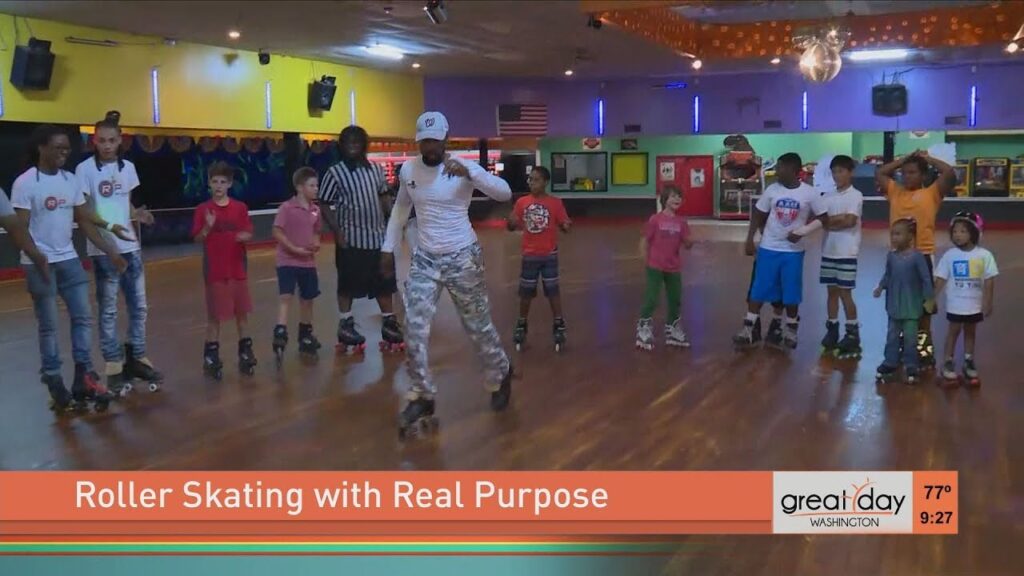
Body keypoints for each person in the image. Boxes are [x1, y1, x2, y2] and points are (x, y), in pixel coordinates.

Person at [380, 111, 513, 438]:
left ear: (446, 140)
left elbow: (504, 193)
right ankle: (422, 394)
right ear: (419, 142)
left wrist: (470, 171)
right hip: (425, 258)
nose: (430, 147)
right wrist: (388, 246)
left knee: (477, 325)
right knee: (413, 326)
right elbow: (400, 208)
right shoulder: (409, 169)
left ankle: (500, 371)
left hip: (463, 257)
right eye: (424, 141)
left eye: (435, 141)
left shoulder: (462, 168)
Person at [12, 124, 131, 412]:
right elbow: (19, 229)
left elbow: (85, 218)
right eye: (58, 148)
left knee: (83, 318)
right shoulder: (26, 183)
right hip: (40, 264)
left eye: (67, 148)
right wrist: (36, 256)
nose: (64, 153)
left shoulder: (69, 180)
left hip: (69, 260)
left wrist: (111, 242)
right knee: (49, 326)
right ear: (42, 148)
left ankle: (84, 376)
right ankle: (53, 379)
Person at [75, 118, 163, 395]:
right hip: (103, 251)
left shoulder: (129, 168)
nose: (107, 145)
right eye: (101, 140)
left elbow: (123, 204)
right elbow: (86, 211)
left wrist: (138, 214)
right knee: (109, 310)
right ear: (94, 141)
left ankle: (137, 357)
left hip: (131, 248)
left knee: (139, 307)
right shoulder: (84, 170)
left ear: (120, 141)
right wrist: (108, 249)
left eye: (112, 140)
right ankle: (113, 363)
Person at [318, 125, 403, 353]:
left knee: (384, 283)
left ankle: (389, 322)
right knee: (347, 285)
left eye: (357, 142)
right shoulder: (334, 172)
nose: (353, 146)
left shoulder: (375, 170)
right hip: (351, 239)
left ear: (363, 145)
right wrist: (337, 231)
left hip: (378, 239)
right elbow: (324, 202)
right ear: (342, 147)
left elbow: (384, 196)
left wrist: (392, 223)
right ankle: (345, 324)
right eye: (348, 143)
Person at [733, 152, 828, 350]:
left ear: (793, 170)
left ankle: (791, 329)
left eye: (780, 167)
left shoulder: (809, 193)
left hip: (793, 252)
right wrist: (750, 239)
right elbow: (758, 215)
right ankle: (748, 328)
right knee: (759, 289)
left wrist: (803, 231)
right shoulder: (771, 190)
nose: (776, 170)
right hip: (769, 247)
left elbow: (824, 218)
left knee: (791, 292)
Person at [875, 150, 956, 368]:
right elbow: (881, 172)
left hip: (922, 257)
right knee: (899, 305)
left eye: (912, 172)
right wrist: (904, 160)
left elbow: (949, 172)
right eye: (904, 173)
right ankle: (902, 347)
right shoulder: (894, 191)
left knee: (923, 308)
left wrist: (927, 159)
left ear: (922, 175)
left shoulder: (931, 194)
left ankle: (924, 350)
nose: (906, 176)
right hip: (898, 259)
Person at [191, 161, 256, 380]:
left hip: (237, 269)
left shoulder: (240, 208)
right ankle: (211, 355)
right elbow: (197, 237)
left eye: (223, 182)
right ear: (209, 184)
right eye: (214, 181)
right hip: (215, 272)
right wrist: (208, 226)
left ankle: (245, 352)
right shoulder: (202, 210)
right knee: (215, 317)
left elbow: (248, 231)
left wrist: (244, 236)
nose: (218, 186)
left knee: (242, 315)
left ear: (229, 184)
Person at [507, 166, 571, 352]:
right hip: (530, 255)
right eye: (530, 179)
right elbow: (512, 223)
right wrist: (510, 224)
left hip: (549, 254)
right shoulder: (522, 202)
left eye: (535, 180)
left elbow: (564, 222)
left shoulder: (555, 203)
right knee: (526, 292)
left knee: (552, 290)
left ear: (545, 182)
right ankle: (522, 323)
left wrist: (566, 225)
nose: (531, 183)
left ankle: (558, 323)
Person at [934, 211, 998, 386]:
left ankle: (969, 360)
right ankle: (948, 361)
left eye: (963, 231)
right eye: (955, 231)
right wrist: (933, 298)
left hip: (974, 304)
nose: (958, 235)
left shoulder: (984, 256)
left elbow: (989, 280)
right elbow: (941, 278)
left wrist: (988, 301)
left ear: (975, 233)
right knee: (953, 331)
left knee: (970, 332)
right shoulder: (950, 255)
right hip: (955, 303)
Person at [873, 218, 935, 384]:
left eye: (898, 234)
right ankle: (890, 361)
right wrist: (880, 287)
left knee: (910, 337)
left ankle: (910, 364)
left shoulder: (917, 257)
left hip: (912, 306)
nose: (894, 238)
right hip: (894, 305)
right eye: (892, 234)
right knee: (892, 335)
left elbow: (926, 279)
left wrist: (929, 298)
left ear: (910, 237)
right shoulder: (891, 257)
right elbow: (888, 275)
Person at [271, 167, 323, 364]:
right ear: (300, 188)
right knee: (286, 296)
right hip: (287, 261)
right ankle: (281, 329)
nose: (316, 189)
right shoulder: (287, 208)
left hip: (308, 262)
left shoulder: (315, 211)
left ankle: (306, 333)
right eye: (312, 185)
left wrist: (316, 242)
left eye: (316, 185)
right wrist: (293, 248)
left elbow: (317, 231)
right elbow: (277, 231)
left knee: (308, 299)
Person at [817, 155, 865, 359]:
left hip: (847, 252)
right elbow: (822, 220)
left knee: (846, 294)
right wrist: (832, 220)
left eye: (841, 171)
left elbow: (850, 221)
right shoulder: (827, 196)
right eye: (834, 171)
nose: (837, 175)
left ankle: (852, 333)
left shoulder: (856, 195)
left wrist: (830, 221)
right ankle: (832, 329)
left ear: (850, 172)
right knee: (832, 292)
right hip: (829, 250)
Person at [635, 186, 693, 351]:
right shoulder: (655, 219)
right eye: (673, 196)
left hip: (673, 267)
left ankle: (673, 328)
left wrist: (690, 242)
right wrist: (644, 258)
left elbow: (687, 242)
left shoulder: (681, 222)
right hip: (655, 266)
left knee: (675, 299)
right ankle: (644, 327)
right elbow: (645, 240)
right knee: (652, 298)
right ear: (664, 199)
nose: (677, 200)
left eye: (679, 197)